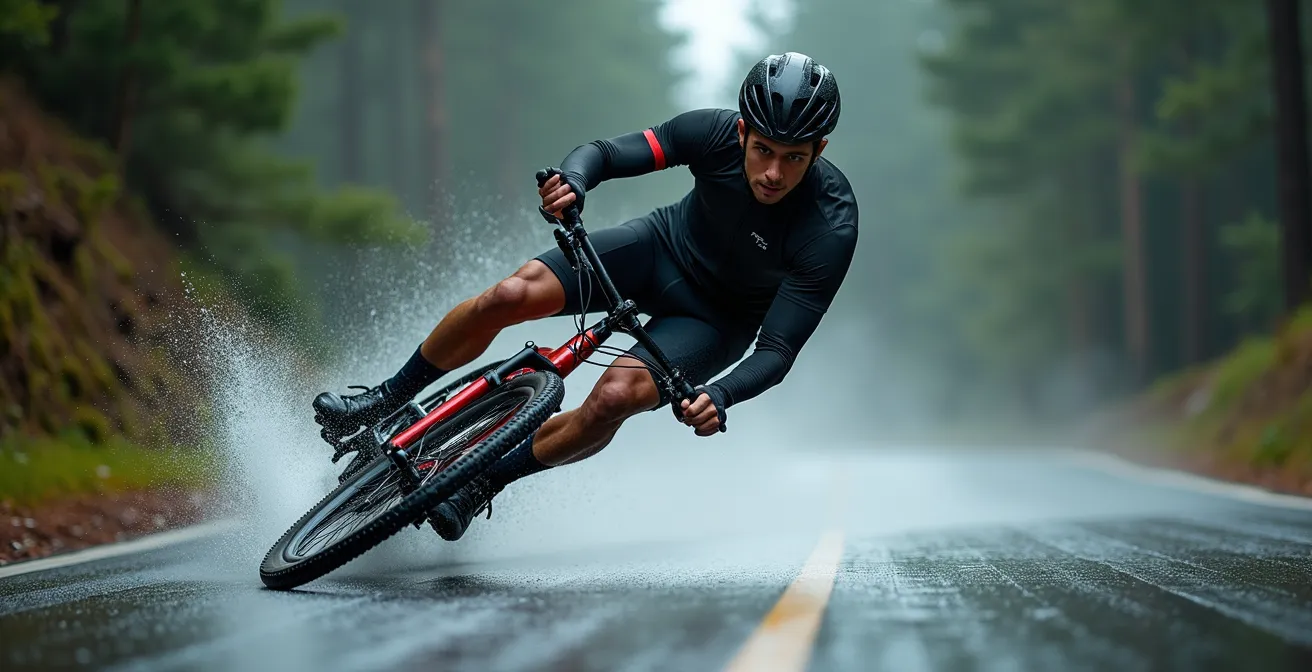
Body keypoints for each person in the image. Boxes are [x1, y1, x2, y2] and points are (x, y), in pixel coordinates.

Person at [313, 52, 858, 541]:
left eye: (793, 158)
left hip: (715, 320)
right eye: (763, 150)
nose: (772, 172)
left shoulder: (830, 226)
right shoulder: (712, 133)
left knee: (612, 399)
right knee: (508, 295)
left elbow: (776, 351)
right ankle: (383, 400)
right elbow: (605, 153)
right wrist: (573, 180)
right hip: (658, 250)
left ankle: (481, 482)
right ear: (742, 131)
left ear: (820, 150)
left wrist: (721, 395)